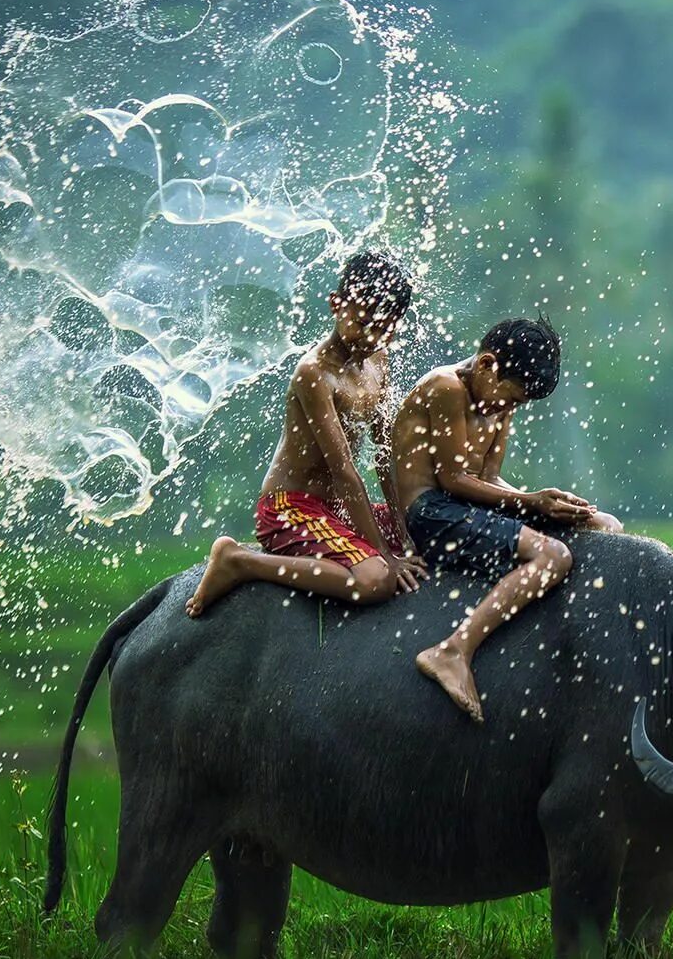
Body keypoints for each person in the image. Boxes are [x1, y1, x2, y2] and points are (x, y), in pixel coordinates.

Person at [387, 317, 622, 723]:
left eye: (518, 404)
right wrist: (532, 503)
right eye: (509, 398)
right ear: (487, 365)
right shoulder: (447, 388)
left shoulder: (498, 400)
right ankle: (453, 650)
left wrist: (547, 502)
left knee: (605, 523)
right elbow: (453, 478)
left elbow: (490, 479)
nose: (509, 409)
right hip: (432, 513)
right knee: (554, 557)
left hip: (465, 506)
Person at [185, 248, 429, 623]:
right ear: (337, 304)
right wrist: (386, 553)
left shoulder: (379, 362)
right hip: (290, 508)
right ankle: (239, 561)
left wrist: (403, 526)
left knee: (427, 527)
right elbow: (344, 470)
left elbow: (384, 454)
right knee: (376, 579)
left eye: (384, 327)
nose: (371, 335)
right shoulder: (313, 372)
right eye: (364, 320)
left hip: (335, 511)